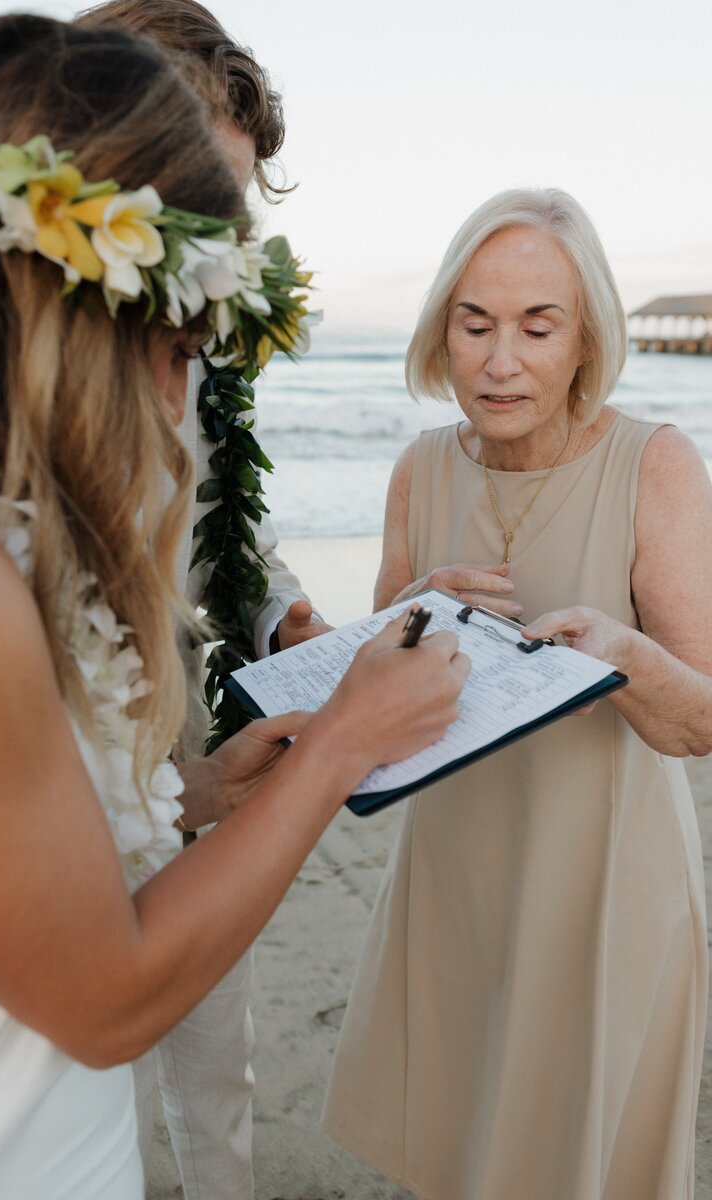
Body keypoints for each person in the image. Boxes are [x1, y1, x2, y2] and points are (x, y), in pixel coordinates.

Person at [0, 14, 469, 1198]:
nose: (188, 399)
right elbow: (107, 1004)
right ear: (96, 311)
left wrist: (203, 792)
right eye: (188, 340)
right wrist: (347, 747)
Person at [323, 188, 712, 1200]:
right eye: (474, 323)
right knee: (454, 1153)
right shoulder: (417, 469)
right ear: (439, 330)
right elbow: (376, 716)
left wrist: (621, 656)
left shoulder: (655, 466)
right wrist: (403, 615)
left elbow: (699, 721)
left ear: (585, 339)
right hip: (451, 873)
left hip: (602, 883)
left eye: (537, 327)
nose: (501, 362)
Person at [75, 4, 328, 1195]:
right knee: (79, 1073)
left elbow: (230, 520)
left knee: (212, 1064)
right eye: (193, 200)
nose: (217, 245)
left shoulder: (202, 353)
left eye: (233, 203)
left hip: (184, 732)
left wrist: (282, 614)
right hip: (64, 773)